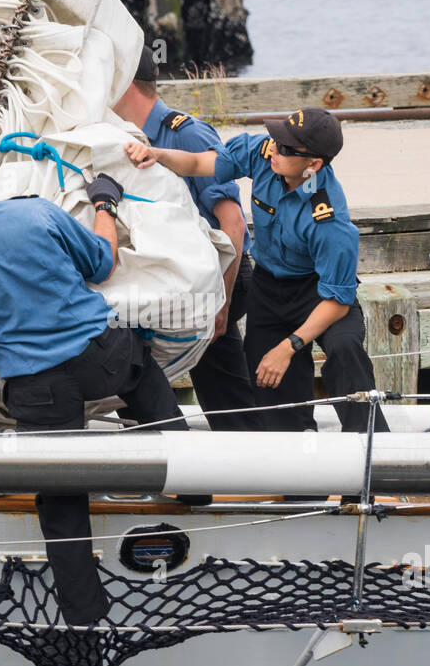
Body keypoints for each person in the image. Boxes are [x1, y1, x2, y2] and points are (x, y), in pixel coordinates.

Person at [0, 144, 188, 626]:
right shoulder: (37, 213)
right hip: (101, 357)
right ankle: (192, 479)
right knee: (141, 369)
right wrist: (103, 202)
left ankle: (84, 620)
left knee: (61, 501)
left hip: (38, 387)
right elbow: (102, 263)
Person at [125, 107, 387, 434]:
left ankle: (371, 455)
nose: (275, 148)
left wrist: (289, 346)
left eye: (287, 148)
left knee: (344, 349)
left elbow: (338, 300)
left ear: (313, 165)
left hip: (318, 292)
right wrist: (156, 153)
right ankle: (301, 478)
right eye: (278, 139)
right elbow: (196, 164)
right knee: (271, 393)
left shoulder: (329, 221)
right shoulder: (264, 153)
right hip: (269, 290)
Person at [111, 49, 260, 430]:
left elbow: (233, 224)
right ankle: (156, 444)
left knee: (220, 381)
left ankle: (248, 461)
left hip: (218, 273)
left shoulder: (186, 134)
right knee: (133, 358)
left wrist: (221, 304)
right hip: (174, 277)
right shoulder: (121, 136)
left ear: (125, 83)